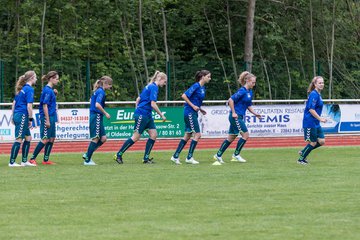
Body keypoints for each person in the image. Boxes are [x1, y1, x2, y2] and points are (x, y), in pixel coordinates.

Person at [114, 71, 167, 164]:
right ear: (160, 79)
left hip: (147, 115)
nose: (164, 84)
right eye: (165, 81)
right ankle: (118, 154)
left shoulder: (148, 86)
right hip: (143, 114)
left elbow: (138, 99)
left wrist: (137, 109)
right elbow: (153, 104)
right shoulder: (154, 87)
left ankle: (146, 158)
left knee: (153, 134)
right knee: (136, 137)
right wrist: (161, 115)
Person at [213, 71, 261, 165]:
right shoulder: (242, 91)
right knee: (245, 135)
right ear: (247, 81)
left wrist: (255, 114)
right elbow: (230, 100)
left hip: (239, 116)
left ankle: (218, 155)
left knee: (231, 137)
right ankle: (236, 155)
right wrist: (234, 113)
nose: (254, 84)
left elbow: (248, 105)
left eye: (254, 82)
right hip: (235, 116)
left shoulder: (249, 92)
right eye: (253, 82)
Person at [170, 70, 211, 165]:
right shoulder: (196, 86)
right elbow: (184, 96)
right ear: (203, 77)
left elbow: (196, 101)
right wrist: (193, 106)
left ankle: (175, 156)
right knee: (197, 134)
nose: (210, 78)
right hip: (189, 112)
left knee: (188, 135)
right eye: (208, 76)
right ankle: (189, 157)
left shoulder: (202, 88)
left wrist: (200, 109)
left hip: (194, 112)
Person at [29, 71, 60, 165]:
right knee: (45, 139)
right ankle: (32, 159)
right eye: (57, 79)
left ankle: (45, 160)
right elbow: (44, 105)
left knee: (52, 138)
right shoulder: (47, 90)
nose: (58, 81)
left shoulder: (50, 90)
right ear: (51, 78)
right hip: (47, 117)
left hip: (52, 116)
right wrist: (47, 119)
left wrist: (54, 94)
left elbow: (49, 102)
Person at [8, 71, 38, 167]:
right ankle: (12, 162)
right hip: (22, 115)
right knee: (19, 139)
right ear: (32, 78)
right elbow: (29, 106)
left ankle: (24, 161)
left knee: (28, 138)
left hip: (18, 114)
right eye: (35, 77)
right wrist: (30, 119)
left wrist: (13, 116)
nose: (36, 79)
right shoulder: (29, 89)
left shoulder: (21, 89)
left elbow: (14, 103)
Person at [83, 76, 113, 166]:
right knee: (96, 138)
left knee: (103, 138)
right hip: (96, 116)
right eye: (110, 85)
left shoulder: (97, 91)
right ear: (106, 84)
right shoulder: (101, 92)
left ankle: (87, 154)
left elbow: (91, 100)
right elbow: (97, 104)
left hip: (97, 116)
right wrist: (105, 113)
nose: (111, 87)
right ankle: (87, 160)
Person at [297, 76, 327, 165]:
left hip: (316, 123)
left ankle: (303, 151)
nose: (322, 84)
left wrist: (319, 120)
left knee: (321, 141)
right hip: (310, 122)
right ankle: (300, 159)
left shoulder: (318, 94)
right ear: (315, 84)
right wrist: (320, 118)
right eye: (319, 83)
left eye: (322, 83)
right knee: (313, 142)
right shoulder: (314, 94)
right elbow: (311, 109)